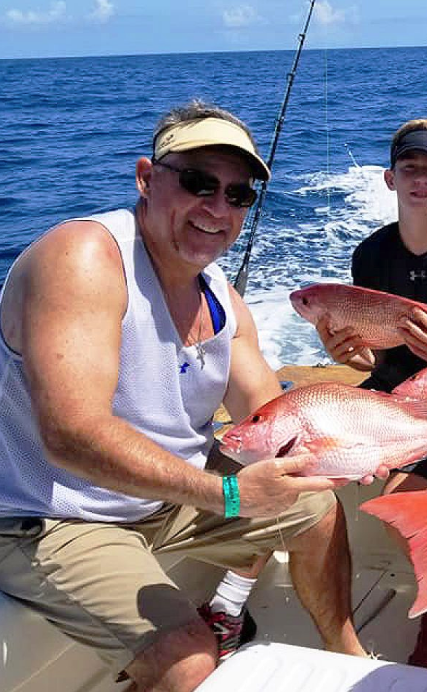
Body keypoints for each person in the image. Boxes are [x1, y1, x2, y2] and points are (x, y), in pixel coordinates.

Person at [0, 100, 377, 692]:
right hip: (52, 514)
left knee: (316, 509)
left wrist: (352, 445)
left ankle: (348, 657)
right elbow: (71, 434)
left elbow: (271, 416)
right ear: (146, 179)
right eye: (198, 182)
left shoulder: (222, 297)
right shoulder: (84, 258)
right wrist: (228, 494)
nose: (218, 208)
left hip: (165, 498)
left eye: (238, 194)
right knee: (191, 658)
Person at [316, 116, 427, 671]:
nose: (422, 180)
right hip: (393, 391)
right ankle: (232, 599)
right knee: (299, 449)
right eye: (410, 168)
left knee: (405, 502)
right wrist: (349, 354)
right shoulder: (370, 255)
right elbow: (374, 359)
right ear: (389, 178)